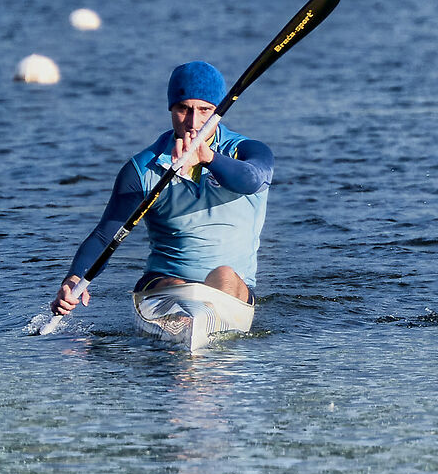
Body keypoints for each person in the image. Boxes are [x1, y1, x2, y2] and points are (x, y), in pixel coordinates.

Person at [50, 61, 276, 329]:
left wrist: (208, 158)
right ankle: (186, 337)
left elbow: (251, 180)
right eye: (184, 109)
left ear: (220, 111)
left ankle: (199, 334)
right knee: (174, 285)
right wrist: (74, 279)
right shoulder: (142, 170)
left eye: (205, 110)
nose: (194, 122)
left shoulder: (248, 152)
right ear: (171, 109)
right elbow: (104, 235)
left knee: (225, 275)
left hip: (231, 290)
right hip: (164, 284)